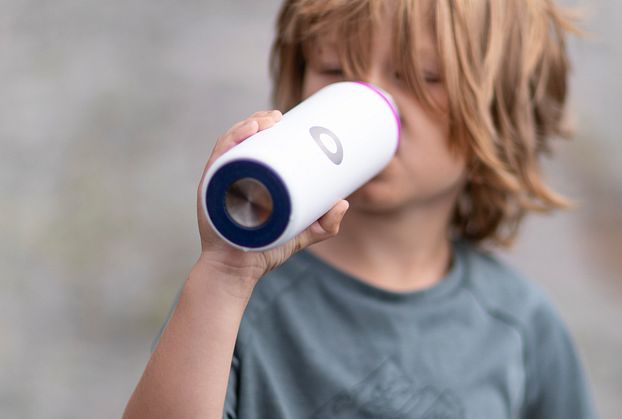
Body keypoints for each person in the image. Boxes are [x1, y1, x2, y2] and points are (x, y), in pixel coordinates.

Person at [123, 0, 596, 418]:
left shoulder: (521, 330)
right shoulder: (235, 302)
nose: (371, 100)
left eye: (425, 78)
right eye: (333, 70)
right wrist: (224, 273)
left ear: (500, 112)